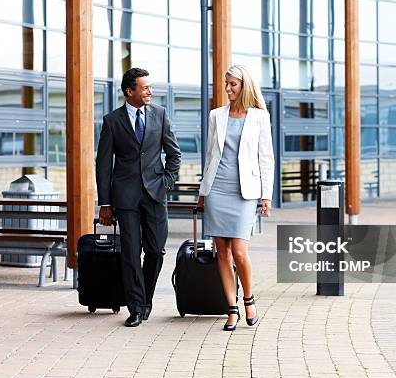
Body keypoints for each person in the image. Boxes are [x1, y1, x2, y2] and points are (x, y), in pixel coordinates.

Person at [96, 67, 181, 327]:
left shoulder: (160, 114)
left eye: (150, 87)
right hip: (126, 197)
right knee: (131, 254)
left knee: (155, 251)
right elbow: (103, 164)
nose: (150, 92)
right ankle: (135, 307)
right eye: (145, 88)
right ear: (129, 91)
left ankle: (145, 299)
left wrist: (166, 181)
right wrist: (105, 203)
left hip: (155, 195)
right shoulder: (112, 121)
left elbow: (174, 153)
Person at [197, 65, 274, 331]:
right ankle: (231, 309)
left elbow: (266, 158)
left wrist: (266, 195)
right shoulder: (216, 115)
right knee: (222, 252)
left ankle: (249, 300)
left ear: (244, 85)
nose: (228, 89)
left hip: (245, 192)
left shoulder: (260, 117)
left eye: (232, 84)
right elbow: (209, 156)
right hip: (217, 189)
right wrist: (203, 192)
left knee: (240, 252)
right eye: (226, 84)